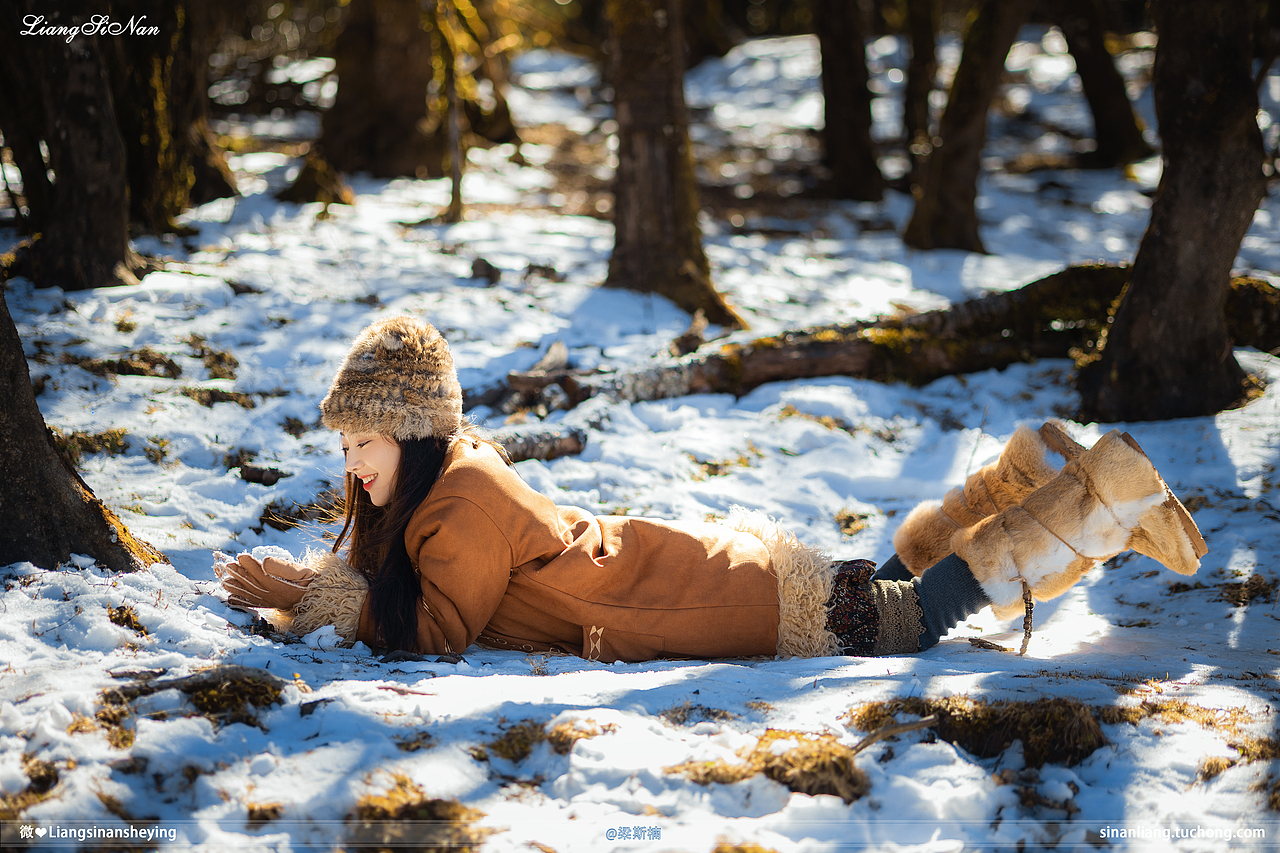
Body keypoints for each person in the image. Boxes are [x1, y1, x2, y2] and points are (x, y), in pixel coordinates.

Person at [215, 316, 1207, 662]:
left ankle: (1099, 497)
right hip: (697, 579)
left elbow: (436, 633)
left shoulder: (460, 503)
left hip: (724, 604)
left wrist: (310, 597)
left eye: (363, 438)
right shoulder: (445, 482)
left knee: (908, 619)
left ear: (417, 429)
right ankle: (1021, 476)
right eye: (344, 440)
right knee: (882, 585)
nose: (349, 462)